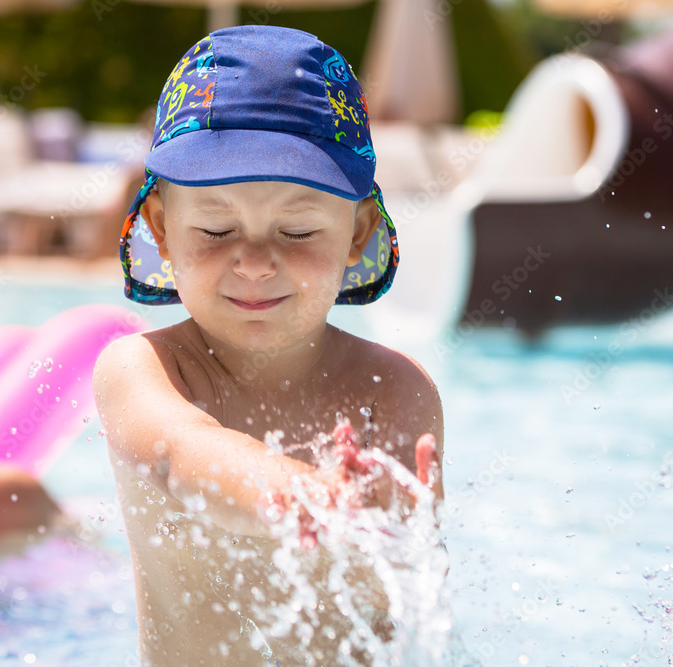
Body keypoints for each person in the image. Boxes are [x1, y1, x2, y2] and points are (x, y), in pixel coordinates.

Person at [92, 25, 445, 666]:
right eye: (218, 227)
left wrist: (377, 519)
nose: (254, 263)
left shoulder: (392, 392)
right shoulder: (146, 370)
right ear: (162, 230)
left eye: (299, 229)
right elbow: (179, 453)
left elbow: (395, 586)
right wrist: (294, 496)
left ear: (359, 233)